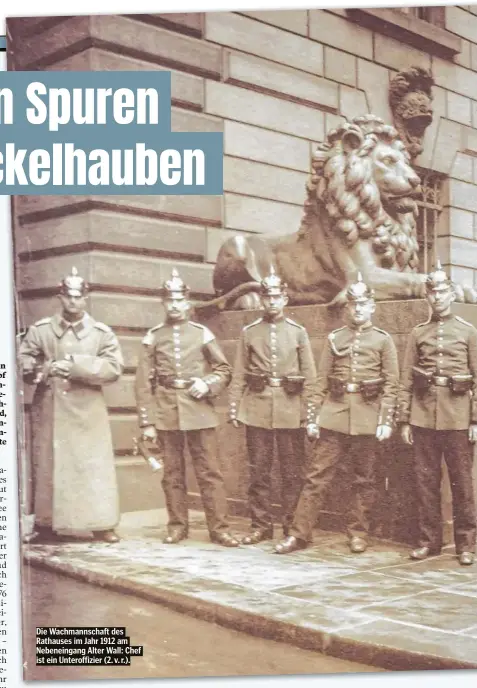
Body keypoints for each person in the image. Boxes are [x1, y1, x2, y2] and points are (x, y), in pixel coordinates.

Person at [275, 274, 399, 555]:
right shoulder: (335, 338)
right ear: (347, 307)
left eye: (363, 304)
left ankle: (358, 533)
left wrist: (385, 420)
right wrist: (313, 417)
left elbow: (392, 383)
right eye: (353, 304)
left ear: (372, 307)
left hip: (368, 415)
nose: (357, 309)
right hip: (333, 413)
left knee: (364, 479)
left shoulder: (383, 341)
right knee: (316, 477)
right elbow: (320, 380)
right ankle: (300, 534)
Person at [18, 267, 123, 544]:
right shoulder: (41, 330)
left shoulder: (101, 334)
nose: (73, 302)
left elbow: (113, 368)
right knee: (48, 466)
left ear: (86, 298)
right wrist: (46, 367)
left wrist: (76, 366)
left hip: (88, 411)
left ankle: (102, 523)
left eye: (78, 297)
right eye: (68, 296)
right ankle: (45, 523)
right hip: (51, 407)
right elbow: (22, 360)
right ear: (60, 297)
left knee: (92, 466)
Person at [135, 268, 239, 547]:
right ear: (163, 303)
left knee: (210, 473)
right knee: (172, 474)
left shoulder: (201, 333)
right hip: (166, 410)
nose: (175, 306)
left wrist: (207, 384)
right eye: (170, 301)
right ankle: (177, 526)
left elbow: (224, 369)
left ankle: (219, 528)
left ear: (188, 302)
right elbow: (143, 381)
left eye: (180, 300)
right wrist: (147, 422)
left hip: (199, 411)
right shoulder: (153, 337)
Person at [228, 267, 318, 545]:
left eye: (276, 297)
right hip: (256, 407)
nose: (271, 302)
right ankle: (261, 525)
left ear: (285, 300)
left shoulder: (298, 333)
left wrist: (309, 412)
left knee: (292, 473)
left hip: (291, 408)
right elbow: (240, 373)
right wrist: (234, 407)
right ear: (262, 300)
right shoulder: (249, 332)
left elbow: (311, 377)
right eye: (267, 297)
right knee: (259, 472)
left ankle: (292, 525)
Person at [398, 262, 477, 566]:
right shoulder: (419, 333)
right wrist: (405, 419)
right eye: (432, 291)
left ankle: (466, 544)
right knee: (425, 482)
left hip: (457, 417)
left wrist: (474, 419)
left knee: (462, 484)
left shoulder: (468, 333)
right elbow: (406, 377)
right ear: (427, 296)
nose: (438, 296)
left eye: (443, 290)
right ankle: (429, 541)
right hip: (423, 416)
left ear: (452, 293)